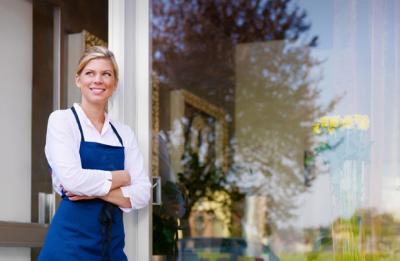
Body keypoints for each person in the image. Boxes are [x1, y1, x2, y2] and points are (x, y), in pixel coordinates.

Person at [38, 46, 151, 260]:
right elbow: (72, 180)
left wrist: (92, 190)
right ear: (78, 80)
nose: (98, 80)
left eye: (106, 74)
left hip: (112, 244)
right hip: (68, 246)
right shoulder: (62, 121)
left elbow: (143, 193)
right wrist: (121, 178)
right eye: (90, 73)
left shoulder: (124, 133)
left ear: (114, 84)